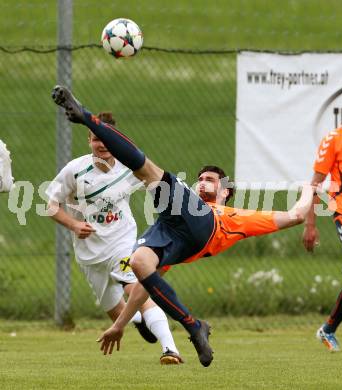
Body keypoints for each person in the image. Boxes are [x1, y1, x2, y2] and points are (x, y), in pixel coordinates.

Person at [51, 85, 314, 367]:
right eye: (201, 178)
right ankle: (194, 326)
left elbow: (295, 215)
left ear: (226, 192)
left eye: (211, 180)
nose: (203, 181)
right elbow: (144, 289)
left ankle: (86, 116)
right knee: (140, 264)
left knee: (147, 170)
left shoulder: (235, 216)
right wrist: (120, 325)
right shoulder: (181, 203)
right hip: (174, 232)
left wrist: (310, 189)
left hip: (206, 225)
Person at [46, 111, 183, 365]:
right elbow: (51, 206)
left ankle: (170, 350)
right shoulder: (75, 171)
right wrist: (75, 225)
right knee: (117, 312)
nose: (103, 144)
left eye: (107, 139)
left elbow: (158, 182)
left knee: (138, 289)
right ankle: (140, 322)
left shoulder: (129, 165)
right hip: (89, 253)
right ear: (89, 141)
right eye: (97, 139)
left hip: (123, 242)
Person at [303, 125, 342, 352]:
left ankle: (328, 329)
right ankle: (328, 330)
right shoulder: (334, 139)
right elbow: (315, 184)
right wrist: (310, 224)